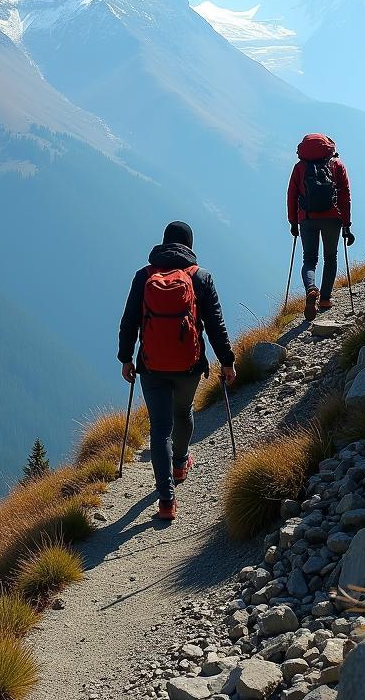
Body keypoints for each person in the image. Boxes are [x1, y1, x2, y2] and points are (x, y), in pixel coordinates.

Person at [118, 221, 236, 521]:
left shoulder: (143, 276)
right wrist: (227, 360)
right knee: (183, 413)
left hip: (151, 365)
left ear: (163, 243)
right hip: (189, 366)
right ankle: (181, 463)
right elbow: (215, 326)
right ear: (190, 246)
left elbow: (129, 320)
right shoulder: (201, 277)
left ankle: (166, 500)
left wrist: (126, 358)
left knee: (159, 428)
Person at [286, 134, 353, 321]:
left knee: (309, 259)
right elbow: (345, 196)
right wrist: (346, 224)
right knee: (330, 258)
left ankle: (311, 289)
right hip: (333, 218)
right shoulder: (337, 165)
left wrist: (293, 221)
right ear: (328, 146)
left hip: (307, 218)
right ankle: (324, 299)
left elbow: (291, 195)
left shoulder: (299, 168)